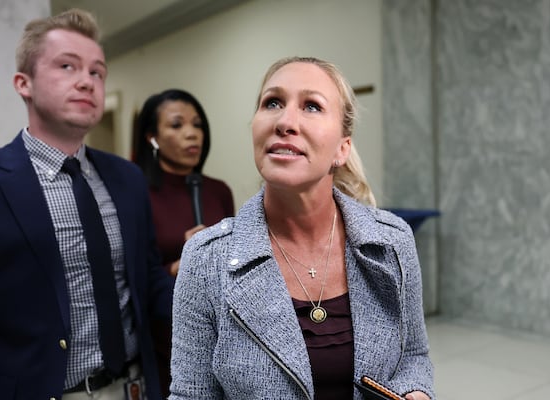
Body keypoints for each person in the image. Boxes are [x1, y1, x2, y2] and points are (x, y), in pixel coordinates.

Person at [169, 56, 435, 399]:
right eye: (273, 103)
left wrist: (416, 392)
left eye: (311, 106)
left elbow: (413, 356)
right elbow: (191, 394)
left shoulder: (392, 241)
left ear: (343, 148)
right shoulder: (206, 260)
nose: (285, 121)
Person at [0, 9, 172, 400]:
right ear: (23, 83)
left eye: (97, 72)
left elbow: (148, 276)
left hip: (134, 387)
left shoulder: (127, 178)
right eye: (67, 66)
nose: (87, 82)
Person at [134, 89, 235, 396]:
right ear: (152, 137)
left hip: (219, 329)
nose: (192, 134)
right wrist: (180, 265)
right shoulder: (137, 191)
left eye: (197, 125)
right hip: (162, 333)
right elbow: (134, 273)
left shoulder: (218, 190)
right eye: (177, 125)